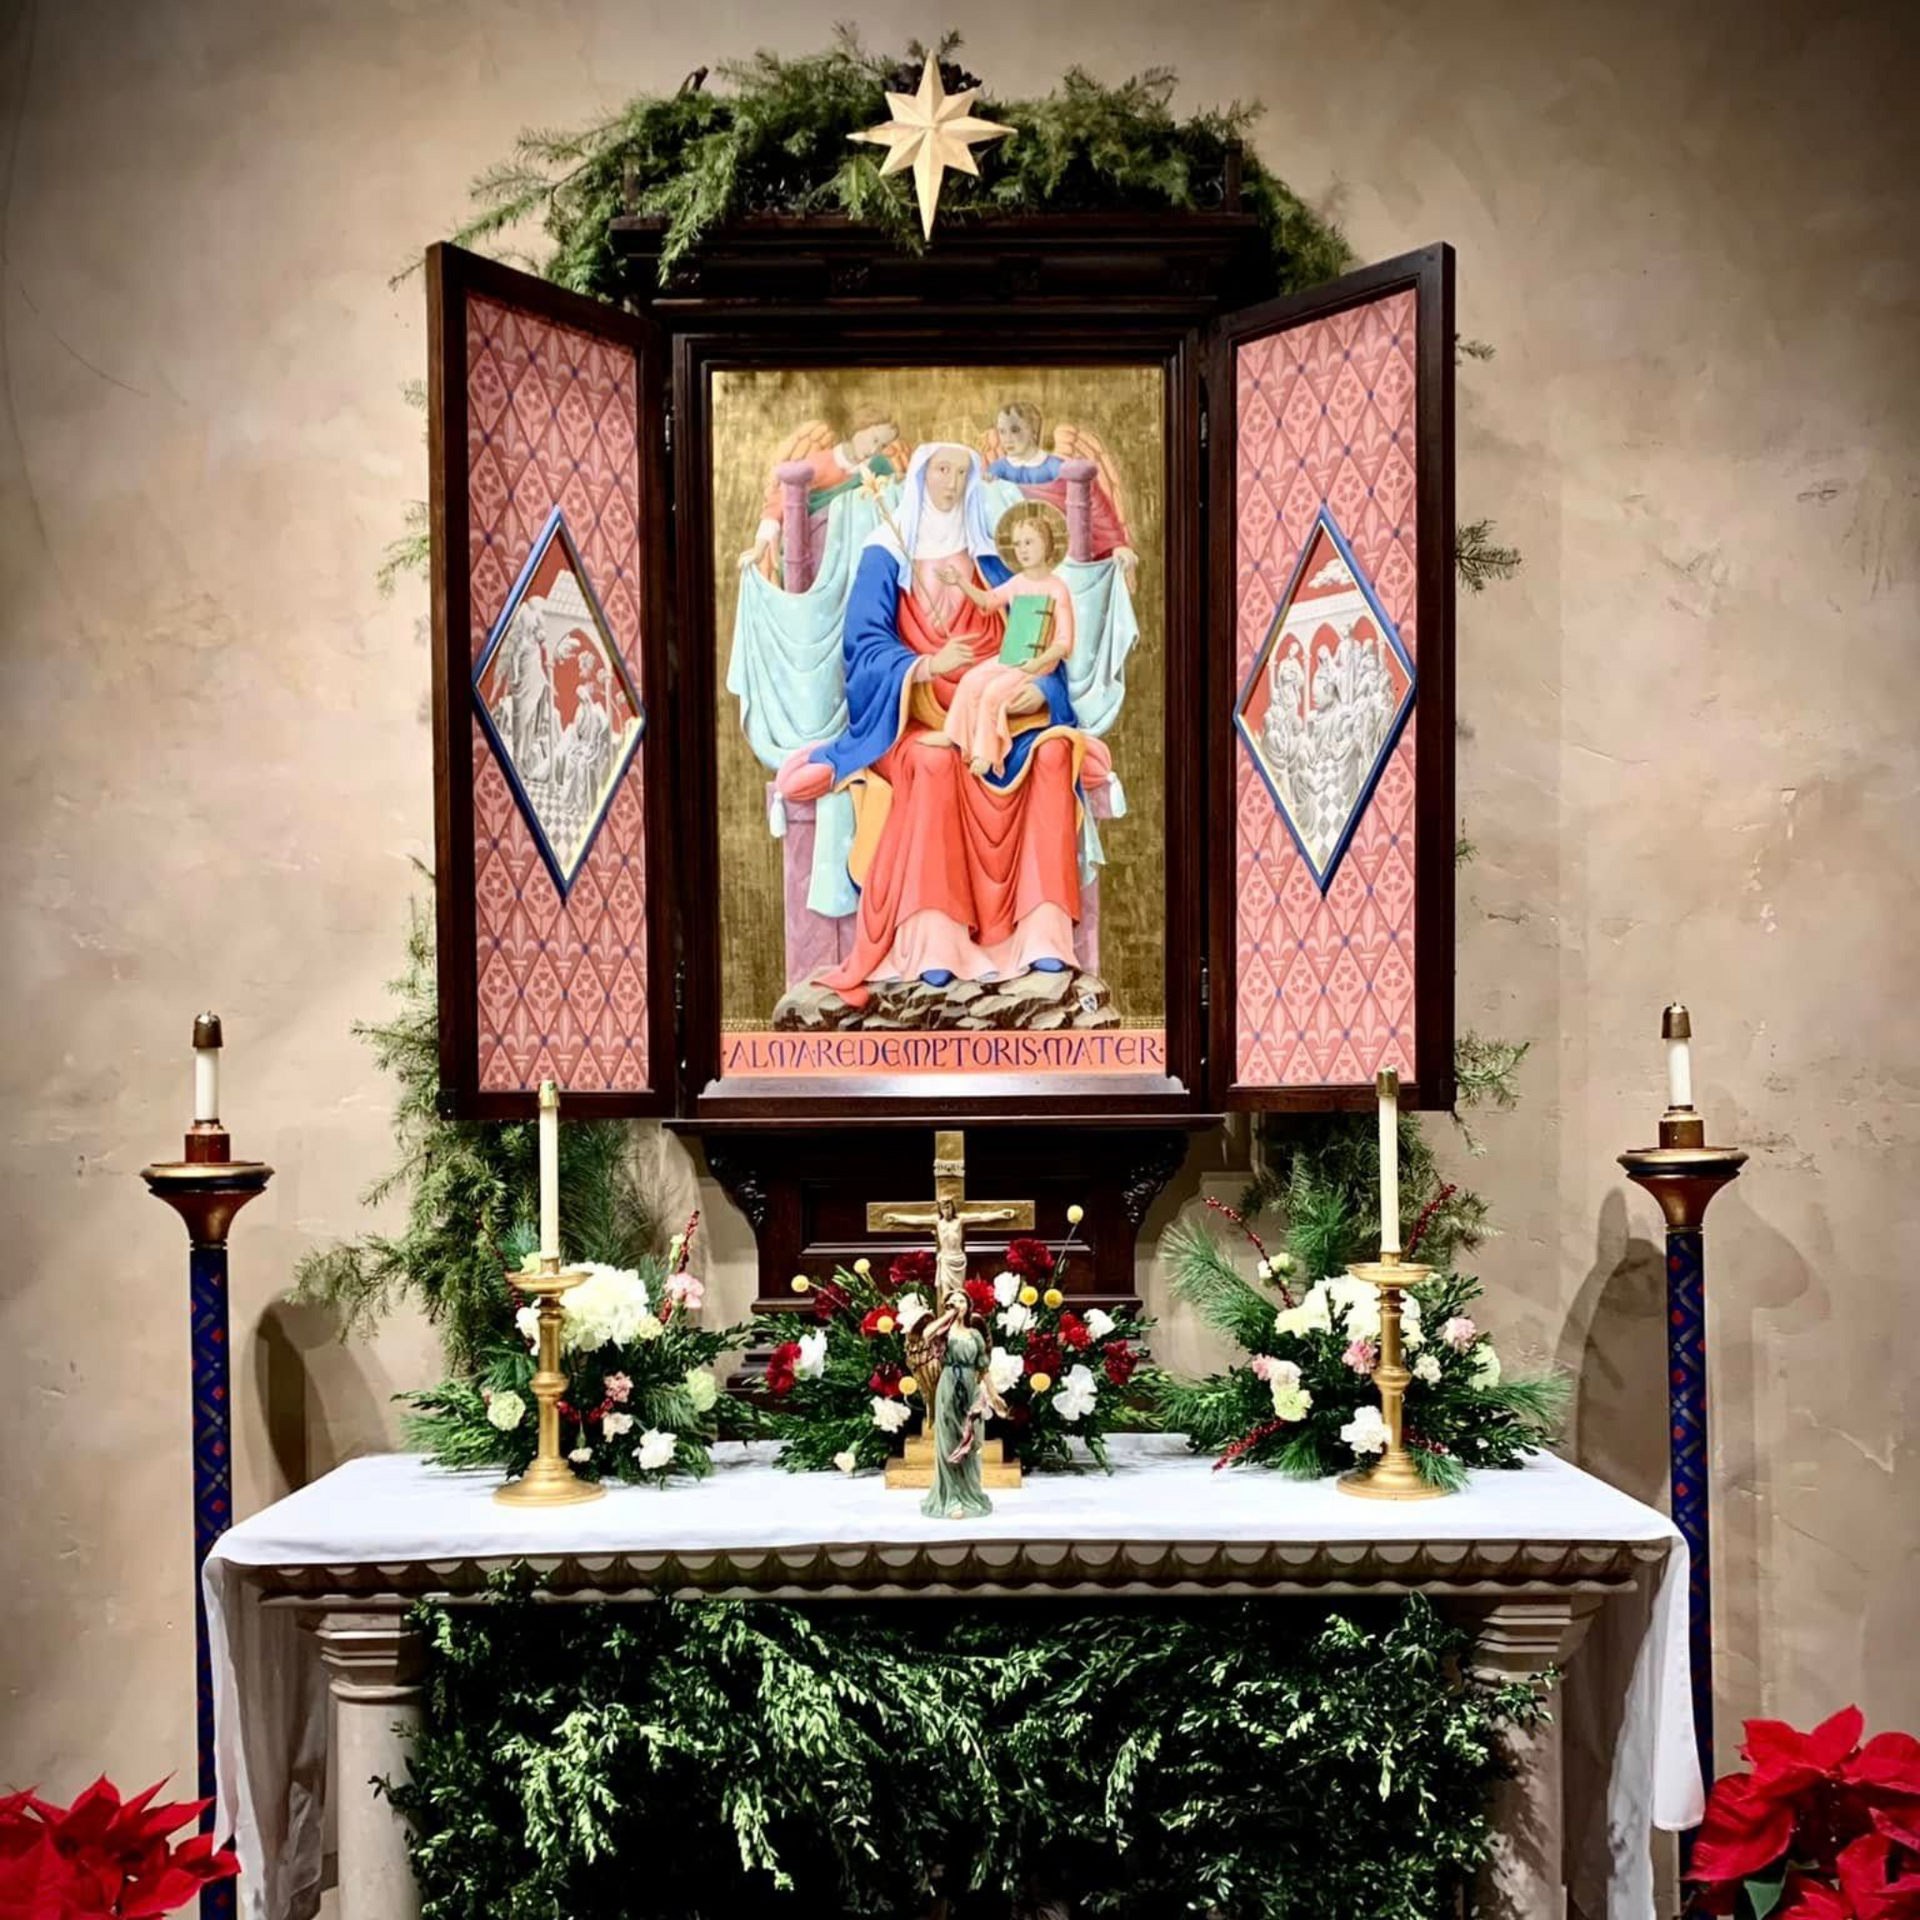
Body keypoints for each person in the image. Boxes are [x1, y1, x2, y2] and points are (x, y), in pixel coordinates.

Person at [775, 443, 1090, 1003]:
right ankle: (935, 940)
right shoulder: (884, 556)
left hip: (995, 713)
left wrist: (1033, 694)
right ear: (920, 477)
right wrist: (924, 666)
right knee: (935, 759)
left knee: (1053, 753)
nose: (952, 482)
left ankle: (1043, 933)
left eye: (963, 472)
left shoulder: (992, 563)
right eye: (941, 470)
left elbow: (1036, 643)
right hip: (912, 721)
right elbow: (863, 652)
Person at [936, 504, 1077, 776]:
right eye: (1017, 544)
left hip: (1037, 664)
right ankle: (954, 735)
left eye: (1028, 542)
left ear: (1046, 544)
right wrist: (960, 583)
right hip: (1010, 657)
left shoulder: (1057, 588)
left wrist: (1039, 662)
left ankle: (987, 755)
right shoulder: (1017, 582)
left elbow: (1065, 642)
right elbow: (988, 602)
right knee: (971, 680)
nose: (1021, 549)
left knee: (992, 694)